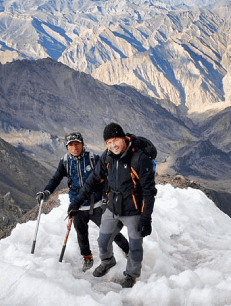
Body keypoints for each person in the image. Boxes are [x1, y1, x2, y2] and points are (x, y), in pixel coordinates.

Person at [67, 123, 157, 288]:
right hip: (113, 207)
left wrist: (146, 218)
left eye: (115, 140)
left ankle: (131, 274)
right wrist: (77, 202)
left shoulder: (139, 158)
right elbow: (93, 180)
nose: (112, 145)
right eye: (108, 142)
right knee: (103, 240)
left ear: (123, 138)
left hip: (133, 210)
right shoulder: (107, 156)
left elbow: (149, 191)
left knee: (135, 245)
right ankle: (108, 261)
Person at [36, 132, 129, 272]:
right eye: (71, 145)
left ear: (82, 143)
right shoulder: (65, 161)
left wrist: (106, 198)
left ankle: (128, 250)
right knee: (81, 234)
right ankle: (87, 257)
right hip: (77, 206)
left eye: (77, 144)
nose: (74, 148)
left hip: (96, 204)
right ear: (67, 147)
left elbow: (106, 178)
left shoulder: (93, 159)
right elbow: (55, 179)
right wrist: (46, 192)